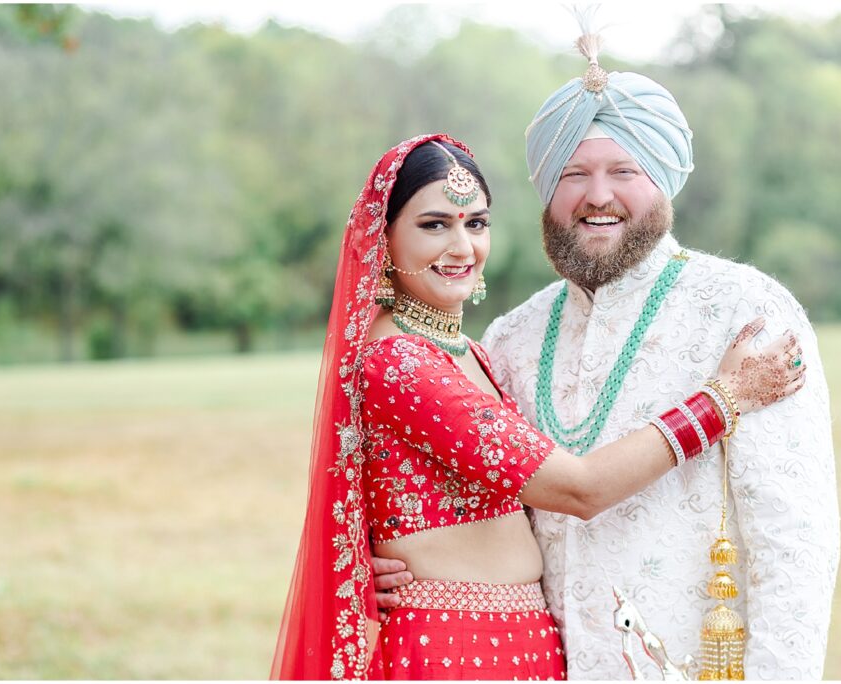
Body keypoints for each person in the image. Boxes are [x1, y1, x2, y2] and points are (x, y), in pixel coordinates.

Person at [373, 31, 841, 682]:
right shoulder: (512, 339)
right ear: (545, 189)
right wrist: (374, 564)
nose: (598, 196)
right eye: (573, 173)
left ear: (664, 178)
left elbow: (795, 547)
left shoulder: (745, 315)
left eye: (624, 170)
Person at [270, 133, 806, 681]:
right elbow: (579, 487)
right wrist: (723, 400)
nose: (462, 248)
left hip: (521, 643)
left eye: (475, 223)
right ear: (382, 239)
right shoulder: (399, 361)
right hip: (450, 646)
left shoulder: (471, 351)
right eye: (435, 225)